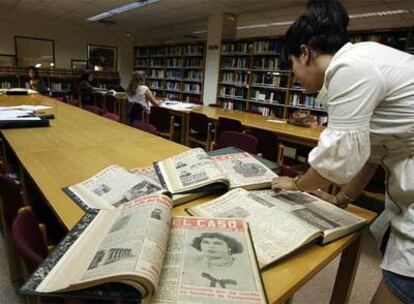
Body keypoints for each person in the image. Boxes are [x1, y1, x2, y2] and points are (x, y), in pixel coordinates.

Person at [271, 1, 414, 303]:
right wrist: (340, 199)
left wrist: (295, 184)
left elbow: (337, 160)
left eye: (292, 66)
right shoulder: (364, 59)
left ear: (305, 52)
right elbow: (369, 154)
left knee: (399, 286)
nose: (294, 76)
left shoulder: (349, 68)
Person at [181, 232, 256, 291]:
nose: (211, 246)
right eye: (206, 242)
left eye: (218, 243)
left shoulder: (245, 266)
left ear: (230, 247)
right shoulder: (193, 262)